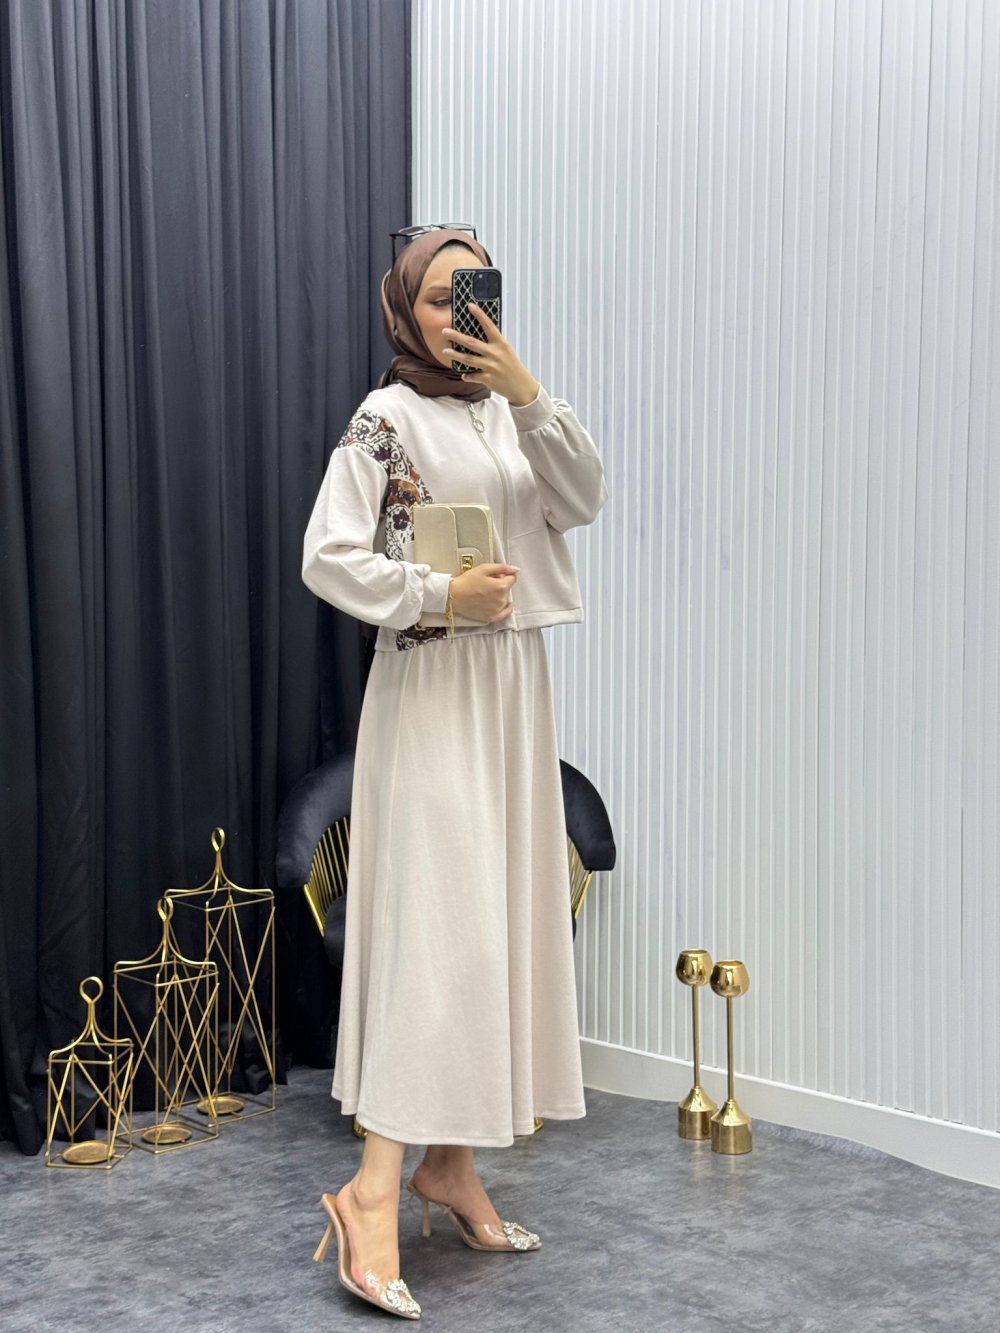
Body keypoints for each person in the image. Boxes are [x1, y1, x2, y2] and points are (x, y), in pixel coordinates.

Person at [302, 225, 607, 1320]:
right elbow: (328, 555)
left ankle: (451, 1167)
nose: (456, 315)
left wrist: (527, 391)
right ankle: (372, 1189)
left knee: (490, 930)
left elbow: (581, 497)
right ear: (403, 308)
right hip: (431, 690)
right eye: (437, 296)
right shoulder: (384, 418)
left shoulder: (511, 412)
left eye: (472, 292)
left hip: (512, 689)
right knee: (434, 936)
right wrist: (441, 596)